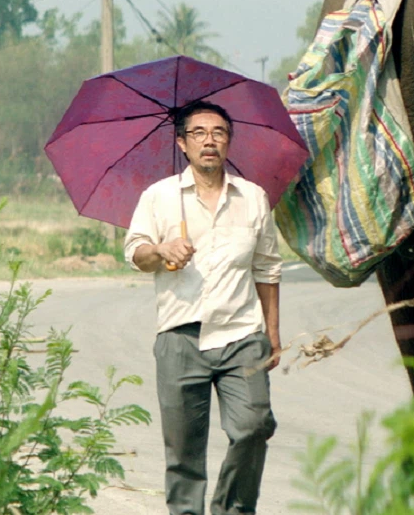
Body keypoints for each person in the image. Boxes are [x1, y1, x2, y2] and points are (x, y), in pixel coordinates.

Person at [123, 99, 282, 515]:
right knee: (184, 454)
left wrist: (274, 335)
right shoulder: (159, 197)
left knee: (253, 427)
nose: (209, 141)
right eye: (198, 133)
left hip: (242, 336)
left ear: (229, 143)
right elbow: (135, 253)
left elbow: (267, 269)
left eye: (219, 133)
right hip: (180, 337)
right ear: (181, 143)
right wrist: (161, 249)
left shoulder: (252, 197)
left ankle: (231, 508)